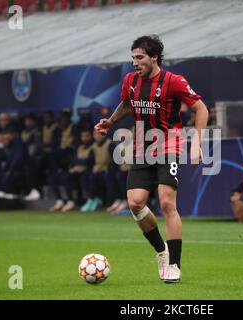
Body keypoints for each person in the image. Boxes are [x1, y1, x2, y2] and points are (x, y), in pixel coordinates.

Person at [94, 35, 209, 283]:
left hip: (169, 144)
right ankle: (161, 251)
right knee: (135, 203)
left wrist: (197, 143)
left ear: (154, 57)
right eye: (133, 58)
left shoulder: (174, 81)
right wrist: (111, 121)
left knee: (167, 203)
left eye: (140, 57)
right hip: (142, 147)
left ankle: (175, 265)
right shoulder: (131, 81)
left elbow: (201, 109)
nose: (135, 62)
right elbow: (127, 103)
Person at [49, 128, 94, 213]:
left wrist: (80, 160)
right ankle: (59, 201)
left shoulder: (93, 147)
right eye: (83, 136)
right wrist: (81, 160)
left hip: (85, 172)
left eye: (86, 136)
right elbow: (73, 160)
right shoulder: (80, 147)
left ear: (91, 136)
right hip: (75, 171)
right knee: (53, 178)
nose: (84, 138)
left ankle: (71, 201)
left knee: (66, 178)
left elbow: (88, 161)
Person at [80, 130, 115, 212]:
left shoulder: (110, 144)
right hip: (97, 170)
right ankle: (92, 198)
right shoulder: (93, 146)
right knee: (85, 177)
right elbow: (90, 161)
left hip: (107, 170)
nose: (98, 136)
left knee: (108, 177)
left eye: (100, 133)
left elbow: (114, 161)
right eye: (95, 134)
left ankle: (111, 201)